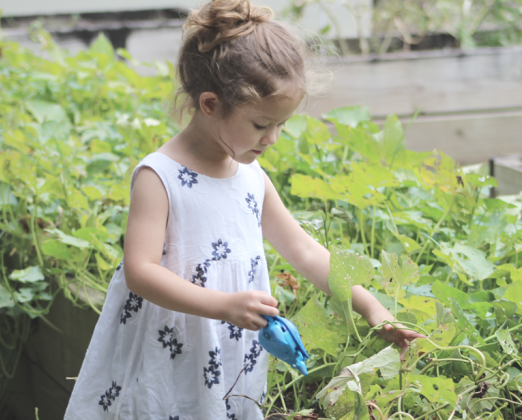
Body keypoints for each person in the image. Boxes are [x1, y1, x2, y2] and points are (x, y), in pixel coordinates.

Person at [64, 1, 423, 419]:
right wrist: (222, 305)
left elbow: (305, 252)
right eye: (260, 124)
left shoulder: (250, 177)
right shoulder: (159, 176)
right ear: (211, 104)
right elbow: (139, 271)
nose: (272, 138)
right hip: (170, 343)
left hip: (228, 349)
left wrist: (371, 307)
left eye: (281, 125)